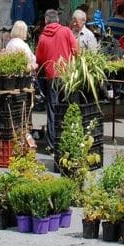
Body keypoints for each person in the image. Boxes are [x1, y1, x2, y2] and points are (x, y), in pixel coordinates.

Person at [35, 9, 78, 152]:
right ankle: (68, 141)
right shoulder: (66, 31)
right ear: (58, 20)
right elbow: (76, 51)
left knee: (52, 110)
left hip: (51, 78)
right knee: (67, 107)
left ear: (46, 21)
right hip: (67, 76)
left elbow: (39, 60)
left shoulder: (42, 37)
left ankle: (52, 144)